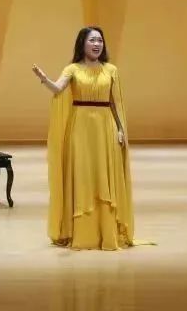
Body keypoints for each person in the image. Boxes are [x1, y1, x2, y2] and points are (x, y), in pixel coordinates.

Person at [32, 26, 142, 250]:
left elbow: (115, 103)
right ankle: (82, 233)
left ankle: (107, 232)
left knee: (104, 175)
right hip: (80, 128)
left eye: (100, 40)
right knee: (82, 175)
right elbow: (58, 88)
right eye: (92, 40)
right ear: (82, 43)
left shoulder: (111, 70)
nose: (97, 44)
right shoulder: (72, 69)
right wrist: (44, 79)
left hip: (105, 127)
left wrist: (120, 129)